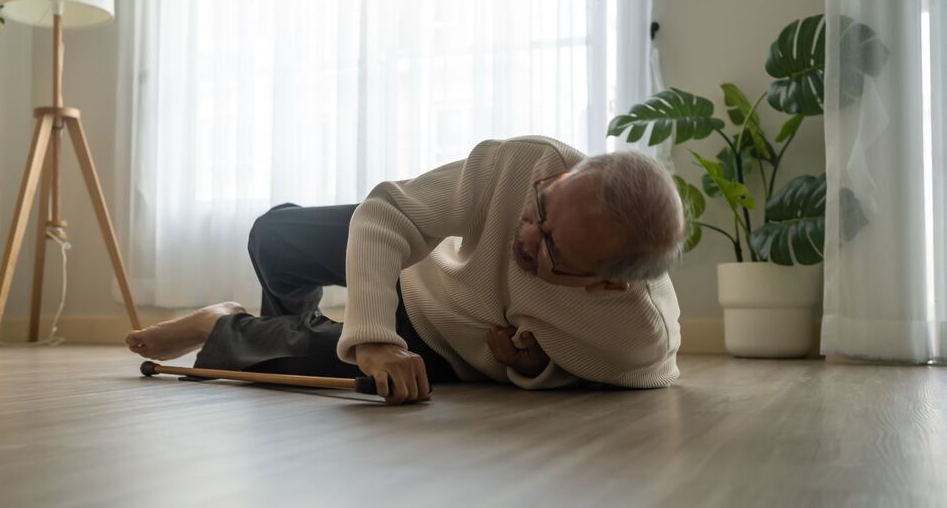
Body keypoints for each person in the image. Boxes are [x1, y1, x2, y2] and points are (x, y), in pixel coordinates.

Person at [126, 135, 686, 405]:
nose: (527, 234)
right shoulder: (531, 162)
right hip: (422, 272)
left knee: (358, 377)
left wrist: (539, 364)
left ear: (608, 283)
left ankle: (225, 325)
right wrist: (371, 336)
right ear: (570, 174)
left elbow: (610, 371)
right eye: (541, 207)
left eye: (553, 249)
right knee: (273, 236)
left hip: (440, 348)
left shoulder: (636, 337)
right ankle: (286, 334)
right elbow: (387, 212)